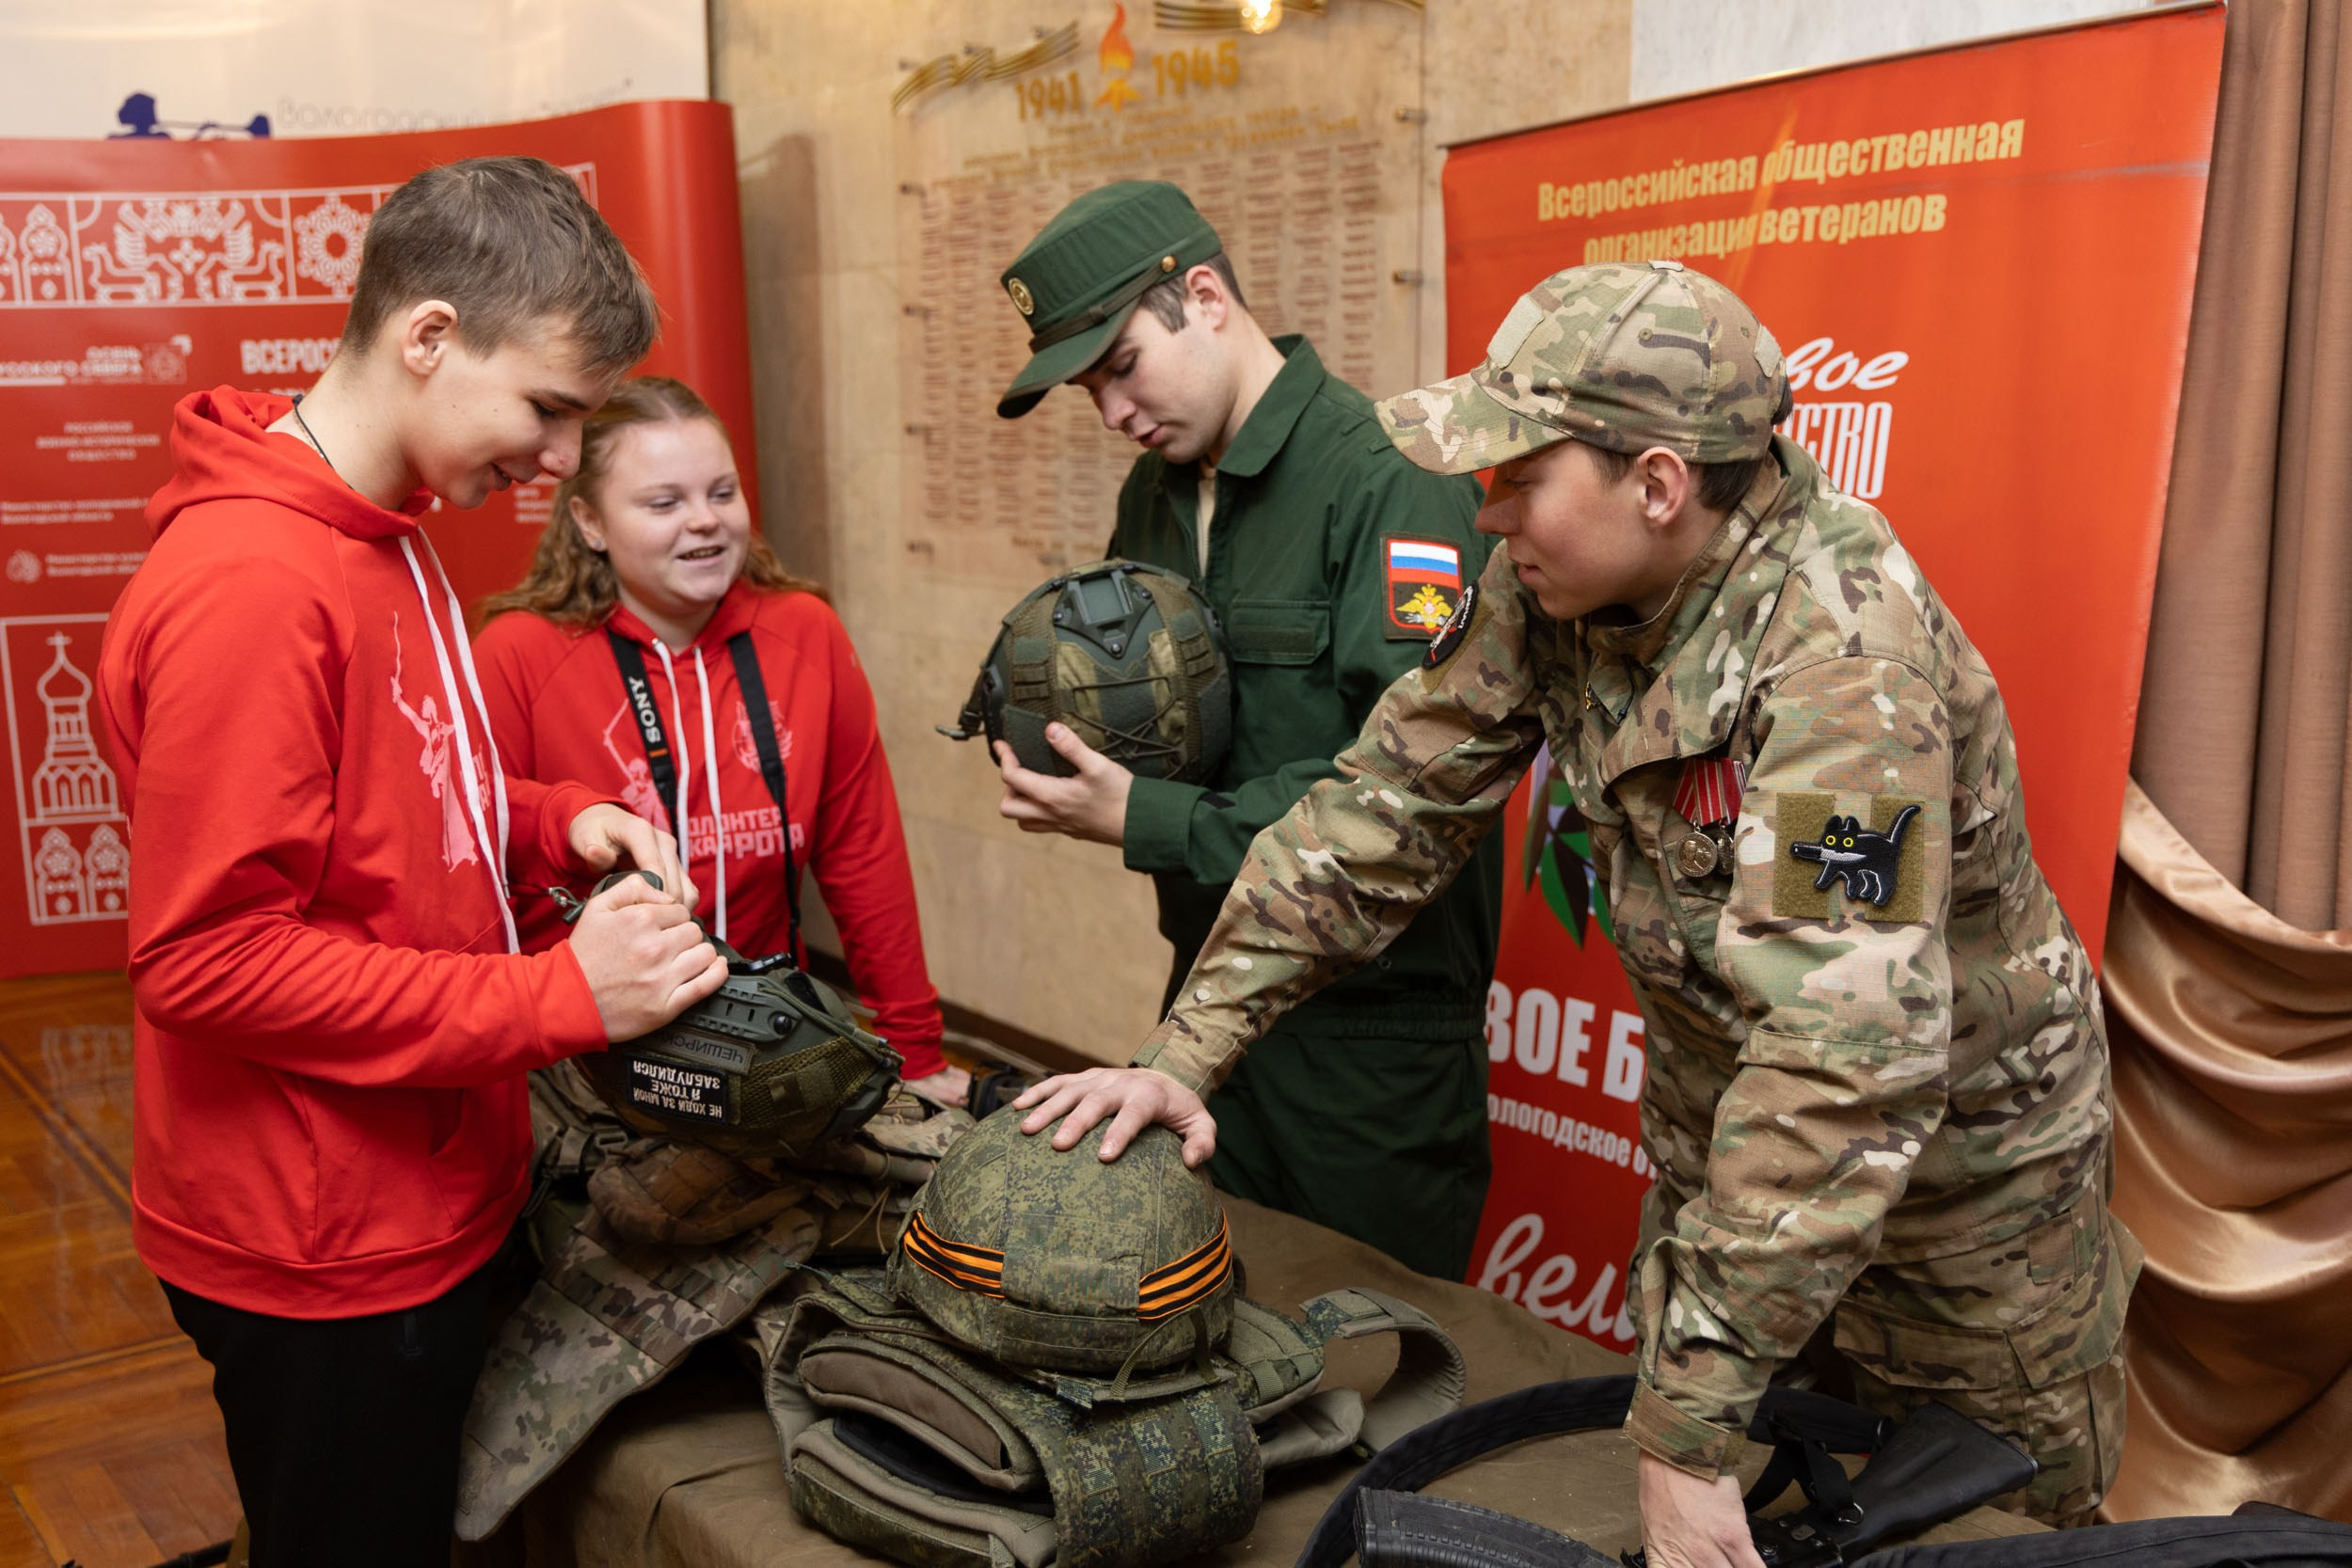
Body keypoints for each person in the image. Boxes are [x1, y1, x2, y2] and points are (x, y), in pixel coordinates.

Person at [1010, 261, 2136, 1553]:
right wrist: (1184, 1054)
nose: (1485, 515)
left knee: (1989, 1537)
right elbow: (1378, 810)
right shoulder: (1558, 591)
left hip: (1959, 1210)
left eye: (1516, 476)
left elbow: (1842, 1065)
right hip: (1739, 1172)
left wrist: (1693, 1421)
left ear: (1657, 483)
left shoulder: (1842, 665)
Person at [97, 156, 728, 1568]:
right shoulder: (254, 584)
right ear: (430, 337)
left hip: (421, 1192)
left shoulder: (384, 529)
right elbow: (207, 958)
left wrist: (551, 815)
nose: (564, 459)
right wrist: (561, 998)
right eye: (550, 410)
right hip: (324, 1251)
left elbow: (387, 786)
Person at [989, 180, 1502, 1278]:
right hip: (1206, 1010)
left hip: (1367, 1047)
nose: (1114, 411)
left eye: (1120, 365)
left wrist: (1149, 818)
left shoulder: (1392, 483)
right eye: (1089, 388)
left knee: (1380, 1371)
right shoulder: (1156, 494)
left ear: (1205, 294)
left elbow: (1416, 800)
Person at [472, 375, 961, 1097]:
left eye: (722, 493)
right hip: (585, 1066)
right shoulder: (518, 653)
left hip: (771, 1050)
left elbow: (864, 854)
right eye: (664, 502)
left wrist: (916, 1052)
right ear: (589, 521)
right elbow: (472, 875)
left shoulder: (805, 632)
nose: (704, 521)